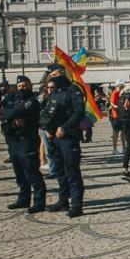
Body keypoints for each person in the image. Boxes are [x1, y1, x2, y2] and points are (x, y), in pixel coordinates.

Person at [40, 63, 86, 218]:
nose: (52, 79)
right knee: (60, 171)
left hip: (68, 137)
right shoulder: (55, 92)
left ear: (61, 73)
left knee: (72, 171)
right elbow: (48, 112)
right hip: (54, 137)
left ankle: (77, 205)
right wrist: (46, 128)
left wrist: (64, 127)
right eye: (50, 77)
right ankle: (63, 200)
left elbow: (79, 112)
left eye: (54, 76)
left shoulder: (73, 90)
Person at [0, 75, 46, 213]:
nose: (22, 88)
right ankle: (23, 199)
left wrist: (11, 113)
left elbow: (16, 110)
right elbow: (2, 113)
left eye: (25, 86)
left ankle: (39, 201)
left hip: (27, 139)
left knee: (32, 172)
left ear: (31, 85)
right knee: (19, 172)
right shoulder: (14, 98)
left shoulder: (32, 100)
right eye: (19, 86)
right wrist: (12, 116)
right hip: (14, 140)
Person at [108, 80, 124, 154]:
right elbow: (112, 104)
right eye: (120, 86)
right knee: (116, 133)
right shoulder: (115, 93)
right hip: (116, 115)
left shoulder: (122, 93)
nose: (121, 87)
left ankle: (124, 148)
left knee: (123, 132)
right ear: (117, 86)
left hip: (122, 115)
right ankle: (114, 149)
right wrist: (119, 107)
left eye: (122, 85)